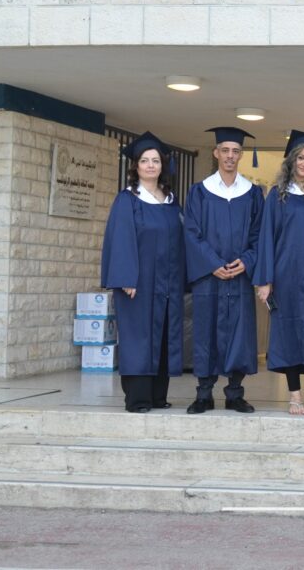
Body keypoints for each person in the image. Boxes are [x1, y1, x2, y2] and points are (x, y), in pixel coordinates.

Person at [252, 130, 304, 416]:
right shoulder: (279, 195)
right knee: (289, 332)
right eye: (301, 158)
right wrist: (265, 280)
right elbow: (266, 238)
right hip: (287, 275)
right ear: (291, 160)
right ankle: (294, 396)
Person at [101, 131, 185, 413]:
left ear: (163, 166)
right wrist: (126, 277)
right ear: (135, 166)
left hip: (167, 282)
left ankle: (157, 396)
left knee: (162, 335)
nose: (151, 165)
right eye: (145, 160)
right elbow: (121, 239)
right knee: (139, 337)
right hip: (138, 282)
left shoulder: (170, 201)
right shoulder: (128, 199)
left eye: (156, 161)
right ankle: (137, 398)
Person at [183, 127, 264, 414]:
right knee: (205, 332)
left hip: (239, 277)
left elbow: (259, 234)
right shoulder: (199, 192)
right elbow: (191, 233)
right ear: (216, 153)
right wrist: (212, 263)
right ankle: (204, 394)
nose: (230, 156)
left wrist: (248, 260)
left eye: (235, 151)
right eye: (225, 150)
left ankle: (235, 394)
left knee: (239, 334)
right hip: (209, 277)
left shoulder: (252, 194)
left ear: (241, 155)